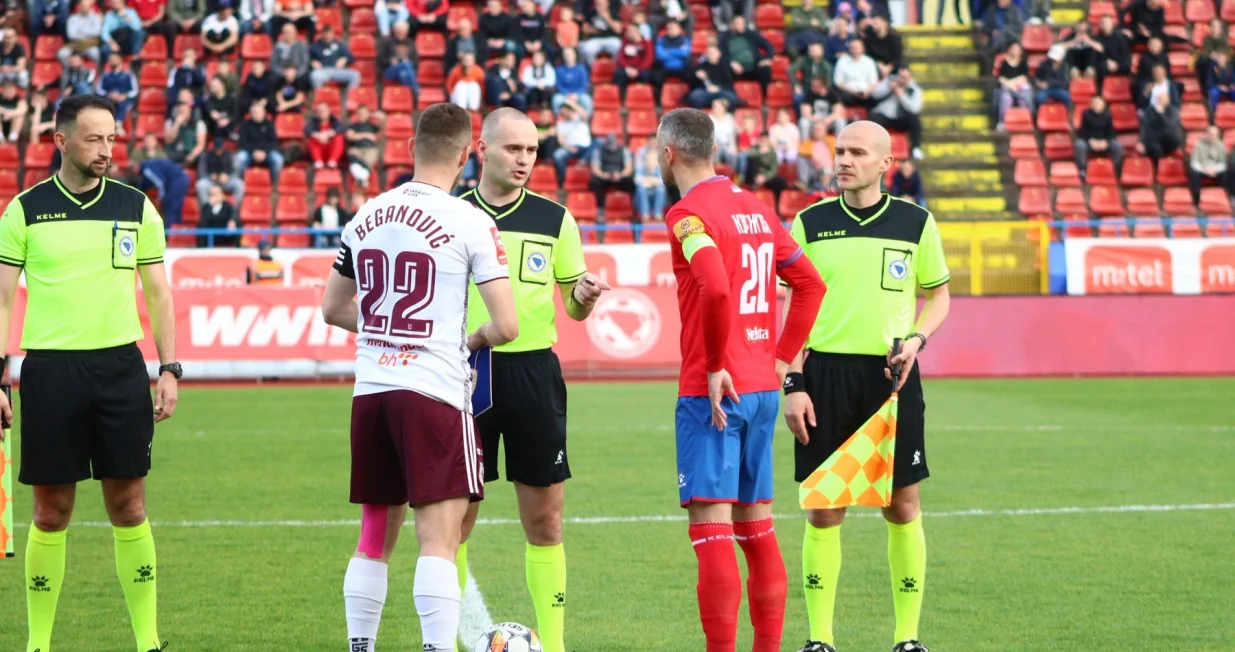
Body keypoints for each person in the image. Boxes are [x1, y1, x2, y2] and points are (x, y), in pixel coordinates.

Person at [321, 102, 517, 652]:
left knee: (373, 538)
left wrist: (386, 325)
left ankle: (361, 646)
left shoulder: (366, 215)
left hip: (372, 392)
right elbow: (506, 323)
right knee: (439, 540)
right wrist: (465, 339)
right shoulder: (472, 221)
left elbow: (334, 310)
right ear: (464, 158)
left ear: (410, 148)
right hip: (432, 394)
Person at [0, 93, 179, 652]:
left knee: (130, 504)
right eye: (94, 139)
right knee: (51, 512)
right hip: (50, 372)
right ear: (60, 141)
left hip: (121, 369)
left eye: (112, 139)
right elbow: (2, 299)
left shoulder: (136, 207)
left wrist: (168, 367)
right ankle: (38, 644)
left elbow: (158, 294)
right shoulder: (23, 211)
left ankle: (148, 642)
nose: (107, 150)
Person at [657, 107, 825, 652]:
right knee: (757, 531)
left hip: (715, 392)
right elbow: (810, 284)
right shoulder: (757, 209)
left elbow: (716, 288)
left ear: (669, 154)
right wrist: (780, 358)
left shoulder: (688, 214)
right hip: (759, 390)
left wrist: (711, 365)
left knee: (712, 535)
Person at [786, 121, 950, 652]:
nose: (844, 160)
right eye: (840, 151)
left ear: (887, 163)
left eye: (857, 152)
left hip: (890, 376)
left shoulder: (914, 222)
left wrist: (918, 339)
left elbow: (939, 295)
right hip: (823, 376)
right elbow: (788, 307)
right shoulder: (809, 223)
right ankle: (820, 640)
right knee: (824, 509)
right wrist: (792, 381)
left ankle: (907, 638)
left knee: (901, 505)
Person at [457, 108, 610, 652]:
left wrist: (584, 298)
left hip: (533, 372)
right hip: (465, 370)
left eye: (532, 150)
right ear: (482, 148)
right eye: (513, 149)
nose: (524, 160)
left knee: (545, 523)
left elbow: (572, 306)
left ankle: (558, 645)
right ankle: (451, 642)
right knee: (452, 519)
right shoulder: (451, 214)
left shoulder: (555, 218)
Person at [870, 68, 924, 160]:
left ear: (910, 78)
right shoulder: (889, 81)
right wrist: (888, 88)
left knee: (915, 120)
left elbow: (915, 109)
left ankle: (915, 148)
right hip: (885, 115)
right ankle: (873, 148)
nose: (902, 80)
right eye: (901, 77)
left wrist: (902, 96)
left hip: (901, 118)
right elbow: (874, 94)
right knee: (873, 118)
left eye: (905, 78)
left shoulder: (915, 89)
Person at [589, 134, 635, 225]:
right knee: (594, 182)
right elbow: (595, 167)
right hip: (605, 175)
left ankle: (632, 208)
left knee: (630, 182)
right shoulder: (599, 150)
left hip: (620, 175)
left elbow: (628, 168)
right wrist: (603, 175)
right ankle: (600, 209)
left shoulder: (624, 150)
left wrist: (620, 175)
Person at [1073, 95, 1123, 180]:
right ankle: (1082, 170)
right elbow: (1083, 132)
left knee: (1117, 146)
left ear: (1103, 104)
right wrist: (1090, 141)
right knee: (1079, 145)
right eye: (1094, 103)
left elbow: (1111, 132)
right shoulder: (1086, 114)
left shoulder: (1108, 115)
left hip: (1104, 142)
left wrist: (1106, 141)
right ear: (1091, 104)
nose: (1097, 105)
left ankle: (1115, 170)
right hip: (1090, 142)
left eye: (1099, 103)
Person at [236, 101, 284, 178]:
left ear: (264, 112)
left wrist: (264, 152)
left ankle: (273, 183)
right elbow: (242, 142)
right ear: (250, 114)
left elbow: (273, 142)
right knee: (239, 158)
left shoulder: (269, 124)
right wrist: (254, 152)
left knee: (278, 160)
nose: (256, 114)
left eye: (258, 112)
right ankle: (241, 181)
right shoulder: (244, 125)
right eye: (254, 112)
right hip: (250, 152)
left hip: (267, 152)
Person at [994, 42, 1033, 131]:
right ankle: (1002, 122)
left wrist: (1015, 83)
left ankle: (1025, 121)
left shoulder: (1023, 63)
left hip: (1020, 87)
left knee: (1023, 100)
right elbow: (1001, 77)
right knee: (1005, 99)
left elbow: (1024, 77)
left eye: (1017, 49)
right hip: (1008, 87)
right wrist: (1010, 85)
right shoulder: (1004, 63)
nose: (1015, 51)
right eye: (1013, 49)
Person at [551, 100, 593, 184]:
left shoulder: (580, 118)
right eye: (561, 112)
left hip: (586, 148)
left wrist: (571, 103)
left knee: (598, 143)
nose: (563, 114)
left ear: (570, 110)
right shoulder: (561, 124)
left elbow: (584, 114)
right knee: (558, 155)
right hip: (571, 148)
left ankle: (582, 161)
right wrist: (568, 147)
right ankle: (563, 181)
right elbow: (561, 139)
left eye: (564, 111)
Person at [310, 24, 361, 90]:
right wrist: (312, 62)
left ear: (333, 34)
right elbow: (308, 59)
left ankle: (349, 99)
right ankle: (321, 97)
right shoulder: (315, 46)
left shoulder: (339, 44)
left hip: (337, 70)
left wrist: (345, 59)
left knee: (355, 75)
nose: (328, 37)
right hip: (323, 70)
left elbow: (351, 58)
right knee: (314, 76)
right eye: (326, 35)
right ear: (322, 34)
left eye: (329, 35)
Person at [1189, 125, 1229, 208]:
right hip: (1202, 169)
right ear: (1206, 134)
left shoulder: (1221, 146)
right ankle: (1196, 201)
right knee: (1193, 174)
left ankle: (1225, 198)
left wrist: (1214, 169)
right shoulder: (1199, 144)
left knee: (1226, 173)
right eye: (1211, 134)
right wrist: (1204, 170)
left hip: (1215, 170)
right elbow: (1194, 162)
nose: (1213, 136)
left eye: (1215, 134)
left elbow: (1223, 163)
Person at [552, 46, 592, 114]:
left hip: (579, 94)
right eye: (565, 55)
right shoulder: (559, 70)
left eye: (569, 54)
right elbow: (559, 86)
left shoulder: (581, 69)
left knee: (587, 100)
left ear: (575, 55)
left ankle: (586, 119)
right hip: (564, 94)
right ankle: (558, 119)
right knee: (556, 100)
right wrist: (567, 94)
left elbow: (584, 85)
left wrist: (576, 94)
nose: (567, 56)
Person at [305, 102, 345, 169]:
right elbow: (307, 130)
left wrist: (327, 134)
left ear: (329, 111)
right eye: (319, 111)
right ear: (317, 113)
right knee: (312, 138)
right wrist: (318, 135)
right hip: (319, 149)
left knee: (339, 137)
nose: (322, 113)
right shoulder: (313, 121)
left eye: (324, 110)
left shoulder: (334, 120)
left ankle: (333, 161)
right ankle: (318, 161)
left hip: (331, 149)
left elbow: (341, 128)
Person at [1035, 45, 1073, 113]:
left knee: (1067, 97)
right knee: (1039, 98)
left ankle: (1067, 115)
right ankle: (1040, 115)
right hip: (1045, 89)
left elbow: (1065, 82)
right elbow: (1037, 77)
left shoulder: (1065, 67)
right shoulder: (1044, 64)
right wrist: (1040, 84)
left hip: (1059, 89)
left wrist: (1051, 83)